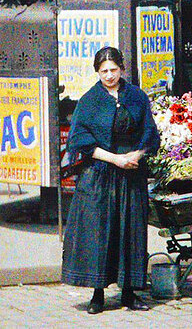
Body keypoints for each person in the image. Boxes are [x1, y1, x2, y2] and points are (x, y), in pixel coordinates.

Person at [62, 46, 160, 314]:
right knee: (100, 232)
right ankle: (98, 294)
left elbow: (150, 134)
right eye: (103, 71)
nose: (109, 75)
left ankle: (129, 293)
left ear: (122, 69)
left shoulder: (137, 97)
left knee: (130, 230)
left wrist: (136, 155)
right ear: (97, 72)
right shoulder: (89, 101)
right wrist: (115, 159)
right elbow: (79, 140)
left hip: (131, 174)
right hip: (101, 174)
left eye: (113, 70)